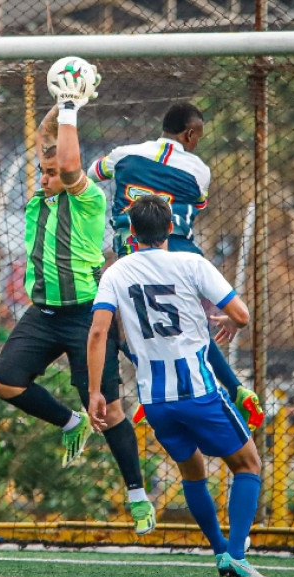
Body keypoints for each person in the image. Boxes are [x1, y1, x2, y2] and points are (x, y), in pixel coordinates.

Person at [0, 66, 157, 535]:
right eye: (41, 172)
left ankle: (137, 495)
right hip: (42, 315)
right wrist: (66, 99)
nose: (43, 178)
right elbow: (48, 139)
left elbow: (66, 164)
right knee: (6, 383)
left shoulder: (87, 201)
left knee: (107, 411)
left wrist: (71, 110)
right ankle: (69, 424)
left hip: (86, 317)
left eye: (50, 173)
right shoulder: (40, 200)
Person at [87, 196, 271, 577]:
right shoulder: (192, 264)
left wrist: (94, 391)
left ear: (131, 233)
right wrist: (229, 321)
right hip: (198, 391)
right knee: (248, 464)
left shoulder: (115, 273)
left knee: (192, 472)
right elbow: (241, 314)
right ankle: (236, 554)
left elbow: (100, 332)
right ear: (171, 228)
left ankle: (220, 549)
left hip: (154, 400)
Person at [87, 103, 264, 431]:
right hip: (180, 249)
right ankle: (234, 388)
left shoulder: (123, 154)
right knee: (192, 326)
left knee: (126, 326)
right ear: (190, 133)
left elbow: (92, 174)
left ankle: (156, 389)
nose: (197, 142)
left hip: (133, 251)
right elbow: (198, 204)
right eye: (198, 137)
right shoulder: (199, 170)